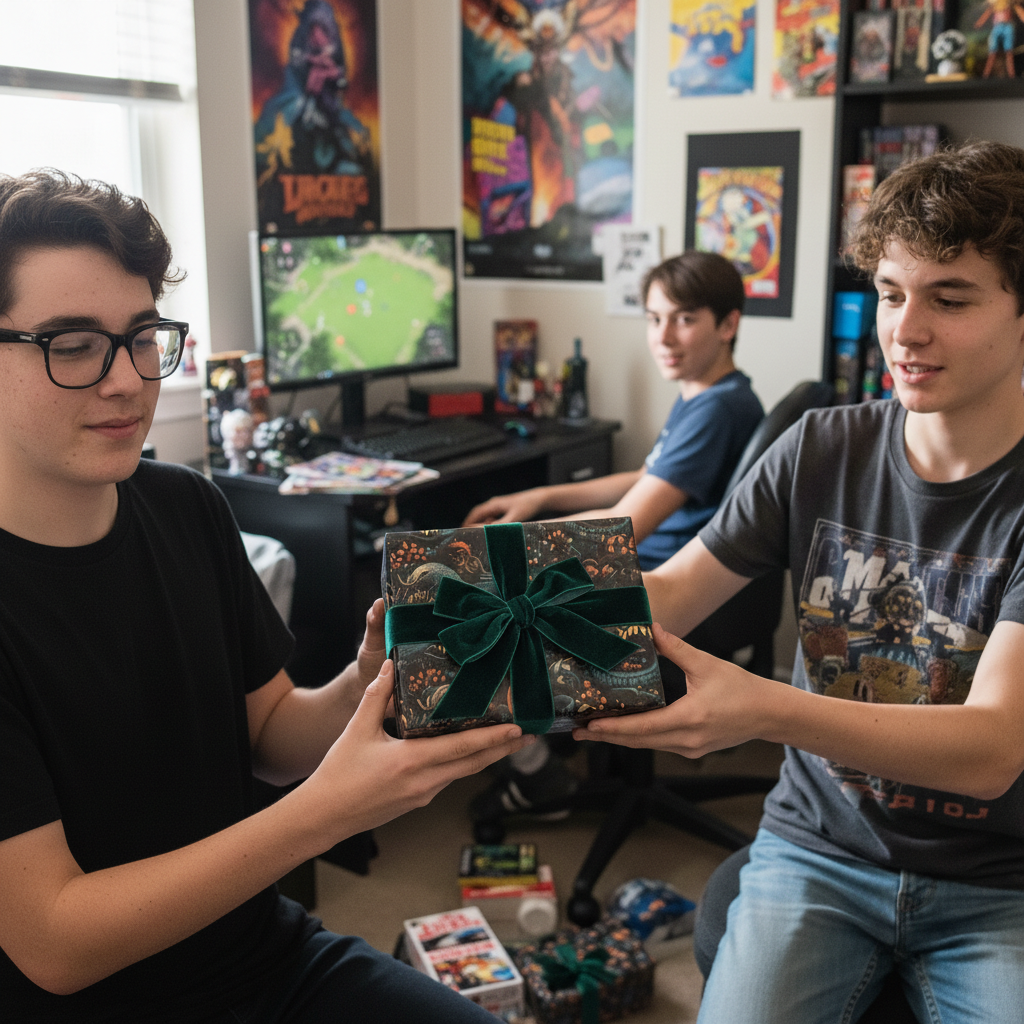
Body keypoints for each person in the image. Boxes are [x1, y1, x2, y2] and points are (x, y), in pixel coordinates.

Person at [0, 169, 533, 1024]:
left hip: (262, 955)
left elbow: (274, 738)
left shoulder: (188, 505)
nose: (127, 380)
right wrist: (326, 815)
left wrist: (368, 680)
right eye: (72, 344)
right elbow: (56, 943)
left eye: (143, 337)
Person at [573, 139, 1024, 1023]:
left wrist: (760, 709)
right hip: (817, 852)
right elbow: (671, 594)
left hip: (997, 881)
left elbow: (991, 751)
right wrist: (496, 604)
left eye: (950, 298)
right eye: (890, 293)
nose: (905, 331)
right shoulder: (819, 446)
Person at [464, 251, 764, 822]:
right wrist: (542, 497)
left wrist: (508, 539)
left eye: (684, 319)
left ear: (728, 324)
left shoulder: (717, 411)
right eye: (654, 319)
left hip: (658, 586)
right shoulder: (711, 393)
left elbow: (620, 530)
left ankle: (536, 776)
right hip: (666, 573)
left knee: (485, 607)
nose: (663, 337)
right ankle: (549, 738)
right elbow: (649, 478)